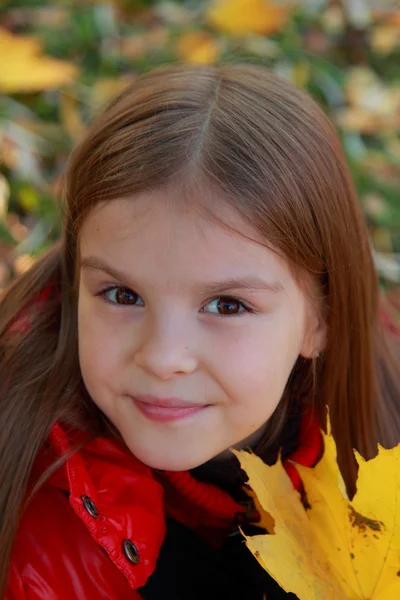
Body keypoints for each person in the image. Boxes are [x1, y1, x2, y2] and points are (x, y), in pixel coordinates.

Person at [1, 64, 399, 600]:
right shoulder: (30, 539)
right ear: (77, 286)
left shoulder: (385, 431)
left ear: (320, 317)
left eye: (227, 304)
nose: (164, 358)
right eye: (123, 295)